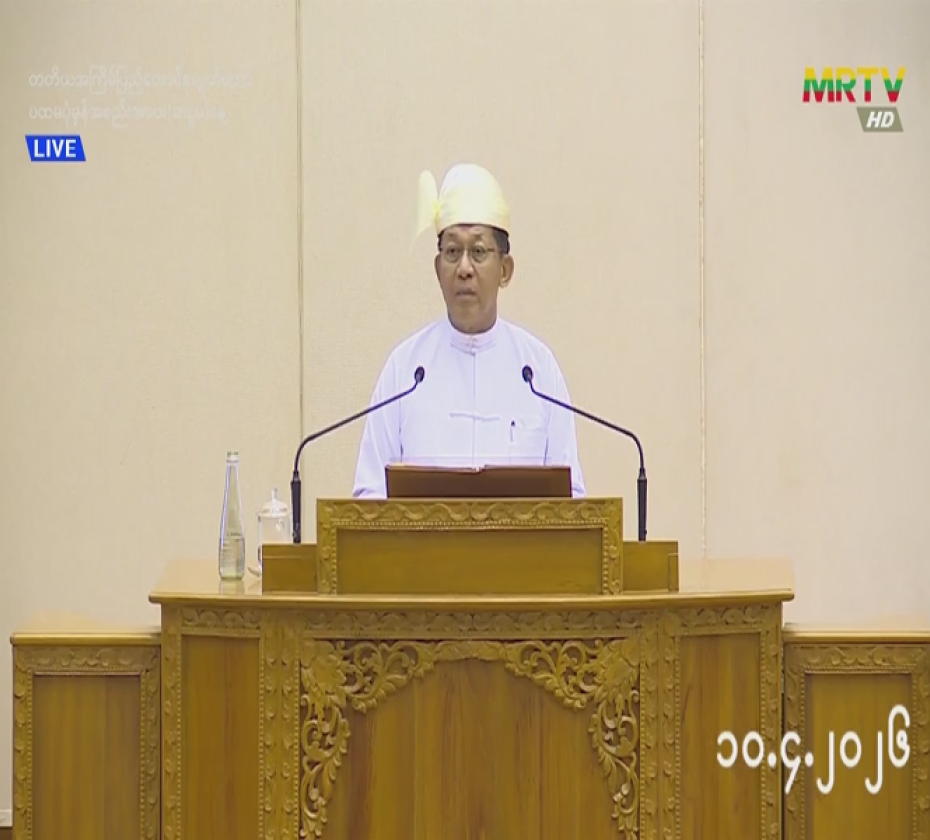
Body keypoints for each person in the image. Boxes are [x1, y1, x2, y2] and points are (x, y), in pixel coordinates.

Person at [351, 162, 586, 498]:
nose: (464, 268)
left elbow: (573, 501)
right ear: (437, 269)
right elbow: (369, 496)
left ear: (505, 270)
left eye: (477, 252)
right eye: (452, 252)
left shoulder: (537, 371)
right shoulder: (405, 371)